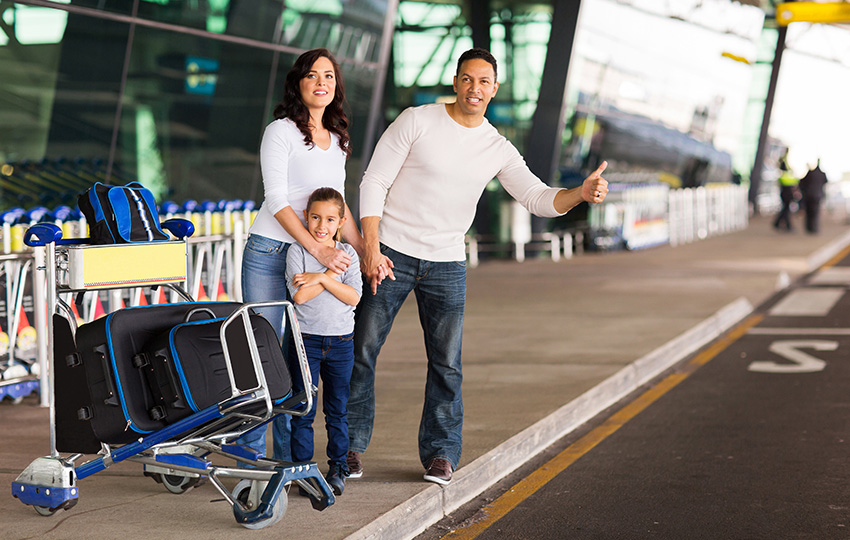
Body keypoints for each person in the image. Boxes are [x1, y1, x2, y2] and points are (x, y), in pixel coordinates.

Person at [347, 48, 609, 485]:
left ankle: (440, 454)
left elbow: (538, 198)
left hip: (447, 261)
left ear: (495, 89)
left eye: (483, 82)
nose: (475, 89)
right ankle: (348, 448)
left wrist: (580, 193)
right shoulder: (417, 120)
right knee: (361, 352)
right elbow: (374, 181)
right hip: (392, 252)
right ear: (455, 82)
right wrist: (370, 249)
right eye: (467, 79)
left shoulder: (496, 147)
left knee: (447, 363)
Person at [237, 48, 364, 463]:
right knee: (263, 353)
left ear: (336, 87)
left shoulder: (338, 140)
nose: (321, 82)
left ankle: (292, 459)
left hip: (314, 257)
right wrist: (320, 250)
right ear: (299, 83)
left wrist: (366, 254)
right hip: (271, 251)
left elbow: (338, 209)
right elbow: (276, 198)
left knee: (298, 360)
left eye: (329, 76)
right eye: (312, 75)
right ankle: (252, 457)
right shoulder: (281, 131)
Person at [285, 187, 362, 495]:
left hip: (342, 342)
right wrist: (332, 273)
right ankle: (304, 471)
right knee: (304, 409)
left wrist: (320, 277)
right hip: (305, 341)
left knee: (337, 410)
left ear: (341, 222)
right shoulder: (297, 252)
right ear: (305, 216)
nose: (321, 226)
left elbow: (354, 297)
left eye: (330, 219)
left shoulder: (351, 254)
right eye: (315, 217)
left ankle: (338, 468)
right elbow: (300, 297)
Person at [798, 159, 829, 234]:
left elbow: (801, 183)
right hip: (817, 195)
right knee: (815, 212)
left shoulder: (810, 173)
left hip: (808, 195)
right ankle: (814, 228)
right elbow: (826, 182)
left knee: (809, 212)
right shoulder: (822, 174)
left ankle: (809, 228)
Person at [773, 149, 798, 232]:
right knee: (786, 209)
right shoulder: (785, 169)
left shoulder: (784, 166)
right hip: (787, 190)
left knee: (785, 208)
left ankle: (778, 223)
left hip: (785, 190)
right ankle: (785, 224)